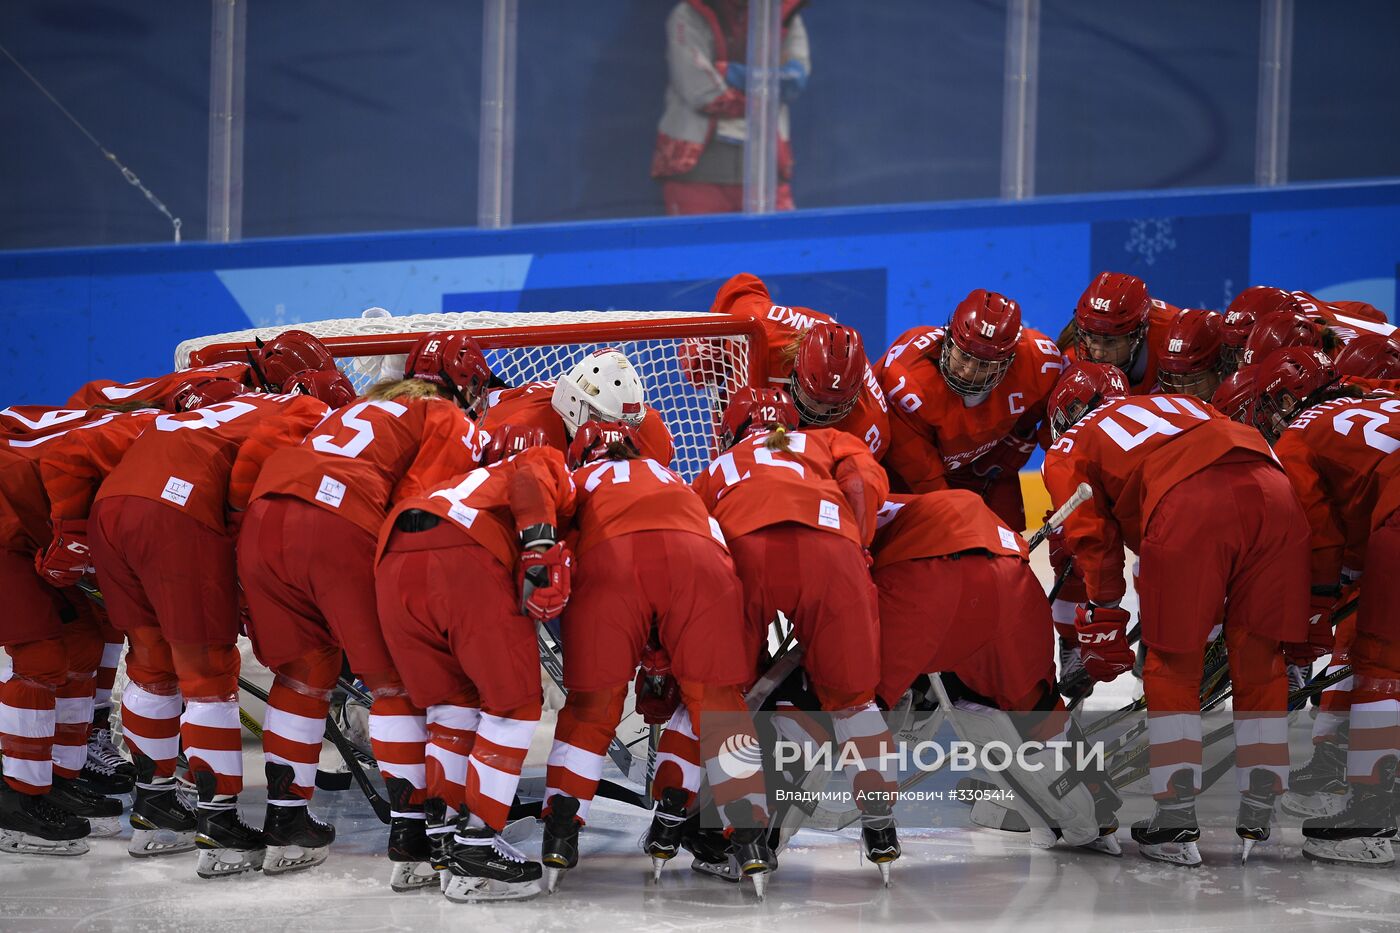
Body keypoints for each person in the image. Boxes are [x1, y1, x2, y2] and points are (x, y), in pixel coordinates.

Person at [40, 379, 332, 878]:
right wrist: (241, 542)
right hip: (177, 512)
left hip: (110, 511)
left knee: (151, 663)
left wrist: (70, 532)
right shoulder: (315, 409)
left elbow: (68, 452)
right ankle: (221, 824)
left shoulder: (225, 407)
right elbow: (257, 466)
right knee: (208, 674)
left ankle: (155, 809)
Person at [235, 333, 485, 882]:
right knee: (397, 682)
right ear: (467, 388)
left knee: (303, 674)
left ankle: (286, 820)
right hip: (338, 522)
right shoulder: (445, 417)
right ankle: (412, 835)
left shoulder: (353, 408)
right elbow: (423, 506)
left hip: (262, 519)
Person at [1042, 361, 1309, 867]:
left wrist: (1101, 611)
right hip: (1275, 490)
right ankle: (1259, 805)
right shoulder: (1184, 403)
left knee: (1172, 662)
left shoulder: (1070, 443)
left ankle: (1176, 817)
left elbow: (1091, 538)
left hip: (1190, 505)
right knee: (1260, 657)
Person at [537, 420, 765, 892]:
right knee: (718, 705)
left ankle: (561, 828)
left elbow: (547, 545)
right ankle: (749, 832)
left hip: (612, 562)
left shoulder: (576, 480)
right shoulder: (676, 479)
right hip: (701, 561)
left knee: (592, 706)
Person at [691, 386, 890, 883]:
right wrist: (857, 544)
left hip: (746, 552)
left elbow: (688, 539)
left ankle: (749, 837)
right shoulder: (825, 441)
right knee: (853, 699)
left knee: (721, 697)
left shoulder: (718, 467)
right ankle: (882, 828)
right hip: (832, 550)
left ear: (732, 430)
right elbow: (864, 480)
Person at [374, 428, 576, 902]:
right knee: (514, 706)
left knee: (450, 709)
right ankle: (476, 853)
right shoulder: (536, 459)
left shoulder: (455, 478)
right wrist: (540, 550)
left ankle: (439, 846)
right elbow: (531, 472)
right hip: (463, 555)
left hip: (392, 559)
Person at [871, 489, 1121, 856]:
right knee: (1036, 705)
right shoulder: (888, 492)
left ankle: (779, 820)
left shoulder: (838, 510)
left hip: (928, 583)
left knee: (856, 698)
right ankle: (1094, 801)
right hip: (1009, 569)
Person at [1250, 347, 1400, 866]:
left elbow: (1320, 542)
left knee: (1381, 660)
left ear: (1289, 400)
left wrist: (1315, 609)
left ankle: (1374, 815)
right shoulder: (1374, 392)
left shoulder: (1297, 439)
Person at [0, 406, 146, 856]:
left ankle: (57, 777)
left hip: (25, 523)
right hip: (8, 530)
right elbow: (66, 463)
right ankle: (17, 799)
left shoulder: (161, 432)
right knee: (39, 659)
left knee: (83, 642)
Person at [878, 289, 1063, 530]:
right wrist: (956, 519)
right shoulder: (907, 377)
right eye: (964, 356)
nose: (968, 372)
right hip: (905, 475)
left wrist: (1017, 442)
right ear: (949, 338)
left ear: (1009, 360)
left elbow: (1042, 412)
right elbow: (923, 475)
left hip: (982, 466)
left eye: (984, 364)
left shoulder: (1039, 361)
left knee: (1009, 545)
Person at [697, 272, 890, 456]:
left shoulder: (868, 428)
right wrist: (711, 344)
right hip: (748, 399)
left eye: (835, 404)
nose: (822, 412)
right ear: (797, 370)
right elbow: (740, 286)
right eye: (816, 400)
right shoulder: (761, 331)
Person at [653, 1, 810, 215]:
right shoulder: (688, 13)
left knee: (779, 247)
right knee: (699, 247)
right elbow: (702, 91)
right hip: (697, 174)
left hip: (768, 172)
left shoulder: (785, 14)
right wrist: (766, 87)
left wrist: (727, 72)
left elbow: (794, 81)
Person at [481, 349, 675, 466]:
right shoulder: (518, 426)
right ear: (573, 402)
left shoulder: (649, 431)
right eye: (604, 421)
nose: (617, 432)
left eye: (627, 424)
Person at [1060, 271, 1178, 394]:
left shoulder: (1172, 340)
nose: (1099, 354)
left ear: (1138, 334)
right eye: (1092, 338)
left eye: (1110, 342)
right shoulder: (1071, 358)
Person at [1155, 308, 1228, 401]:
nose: (1187, 393)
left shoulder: (1243, 407)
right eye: (1178, 380)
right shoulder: (1155, 400)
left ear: (1221, 367)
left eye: (1196, 380)